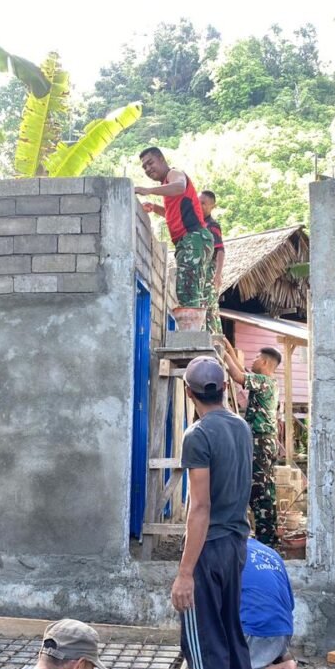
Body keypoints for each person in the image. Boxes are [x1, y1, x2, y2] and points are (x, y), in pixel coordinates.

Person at [173, 356, 265, 669]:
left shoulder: (197, 434)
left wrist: (184, 573)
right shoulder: (241, 427)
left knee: (203, 642)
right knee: (230, 633)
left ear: (189, 393)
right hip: (236, 545)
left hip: (209, 549)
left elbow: (199, 507)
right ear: (225, 389)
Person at [134, 148, 214, 321]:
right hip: (193, 239)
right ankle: (194, 335)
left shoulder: (174, 174)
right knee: (190, 289)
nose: (147, 169)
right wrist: (155, 208)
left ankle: (191, 339)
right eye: (144, 167)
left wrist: (148, 190)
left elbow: (180, 186)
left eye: (150, 163)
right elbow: (173, 213)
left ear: (161, 159)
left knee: (187, 290)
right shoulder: (167, 188)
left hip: (193, 237)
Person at [220, 338, 282, 546]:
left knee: (261, 491)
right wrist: (228, 347)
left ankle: (267, 540)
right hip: (261, 441)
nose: (253, 360)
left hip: (261, 442)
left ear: (264, 363)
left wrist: (221, 353)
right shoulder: (266, 381)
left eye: (256, 357)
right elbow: (243, 372)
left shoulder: (265, 382)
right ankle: (267, 536)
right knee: (262, 487)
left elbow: (238, 376)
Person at [240, 537, 309, 669]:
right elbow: (289, 604)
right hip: (283, 631)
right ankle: (280, 657)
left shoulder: (227, 552)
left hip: (256, 633)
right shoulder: (270, 553)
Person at [199, 190, 226, 335]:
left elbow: (220, 250)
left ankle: (211, 338)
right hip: (198, 274)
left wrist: (218, 274)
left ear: (212, 206)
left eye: (203, 203)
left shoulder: (212, 226)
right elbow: (173, 215)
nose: (200, 205)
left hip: (208, 274)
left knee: (208, 307)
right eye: (198, 202)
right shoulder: (195, 223)